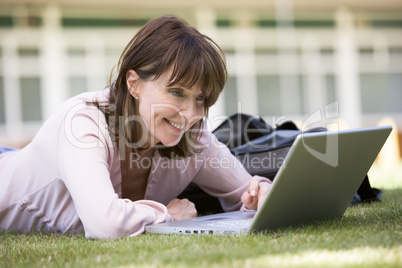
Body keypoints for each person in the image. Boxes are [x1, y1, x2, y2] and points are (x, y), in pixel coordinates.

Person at [0, 15, 271, 239]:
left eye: (200, 98)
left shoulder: (194, 136)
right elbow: (105, 224)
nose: (190, 114)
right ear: (134, 83)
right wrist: (166, 214)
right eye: (176, 92)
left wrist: (261, 192)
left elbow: (245, 193)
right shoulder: (81, 122)